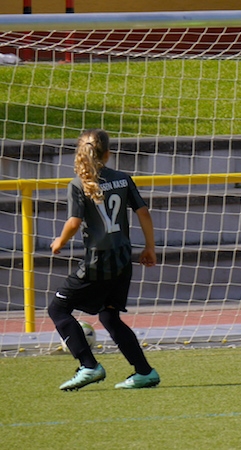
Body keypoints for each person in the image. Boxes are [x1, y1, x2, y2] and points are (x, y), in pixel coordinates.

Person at [48, 129, 160, 391]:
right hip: (123, 260)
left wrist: (59, 242)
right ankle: (144, 372)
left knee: (58, 309)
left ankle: (89, 366)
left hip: (98, 262)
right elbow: (143, 212)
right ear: (108, 154)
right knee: (109, 317)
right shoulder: (122, 179)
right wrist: (150, 248)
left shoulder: (79, 184)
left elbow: (74, 222)